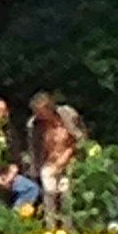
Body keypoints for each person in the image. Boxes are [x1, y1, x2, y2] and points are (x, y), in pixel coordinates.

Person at [29, 93, 83, 223]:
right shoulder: (34, 125)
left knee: (66, 194)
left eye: (40, 112)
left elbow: (79, 140)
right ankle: (51, 227)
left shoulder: (67, 116)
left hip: (71, 161)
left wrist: (66, 156)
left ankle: (68, 227)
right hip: (49, 163)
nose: (38, 115)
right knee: (49, 192)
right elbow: (35, 150)